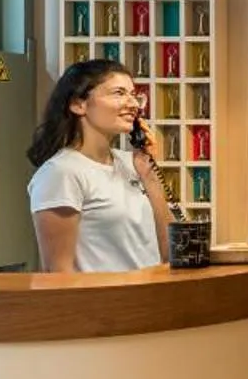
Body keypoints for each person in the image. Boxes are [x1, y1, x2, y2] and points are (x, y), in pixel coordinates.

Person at [26, 58, 170, 272]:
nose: (133, 104)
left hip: (147, 297)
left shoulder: (133, 164)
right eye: (119, 93)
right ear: (78, 104)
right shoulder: (61, 173)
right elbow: (58, 273)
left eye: (133, 95)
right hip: (102, 301)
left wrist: (150, 175)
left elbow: (170, 252)